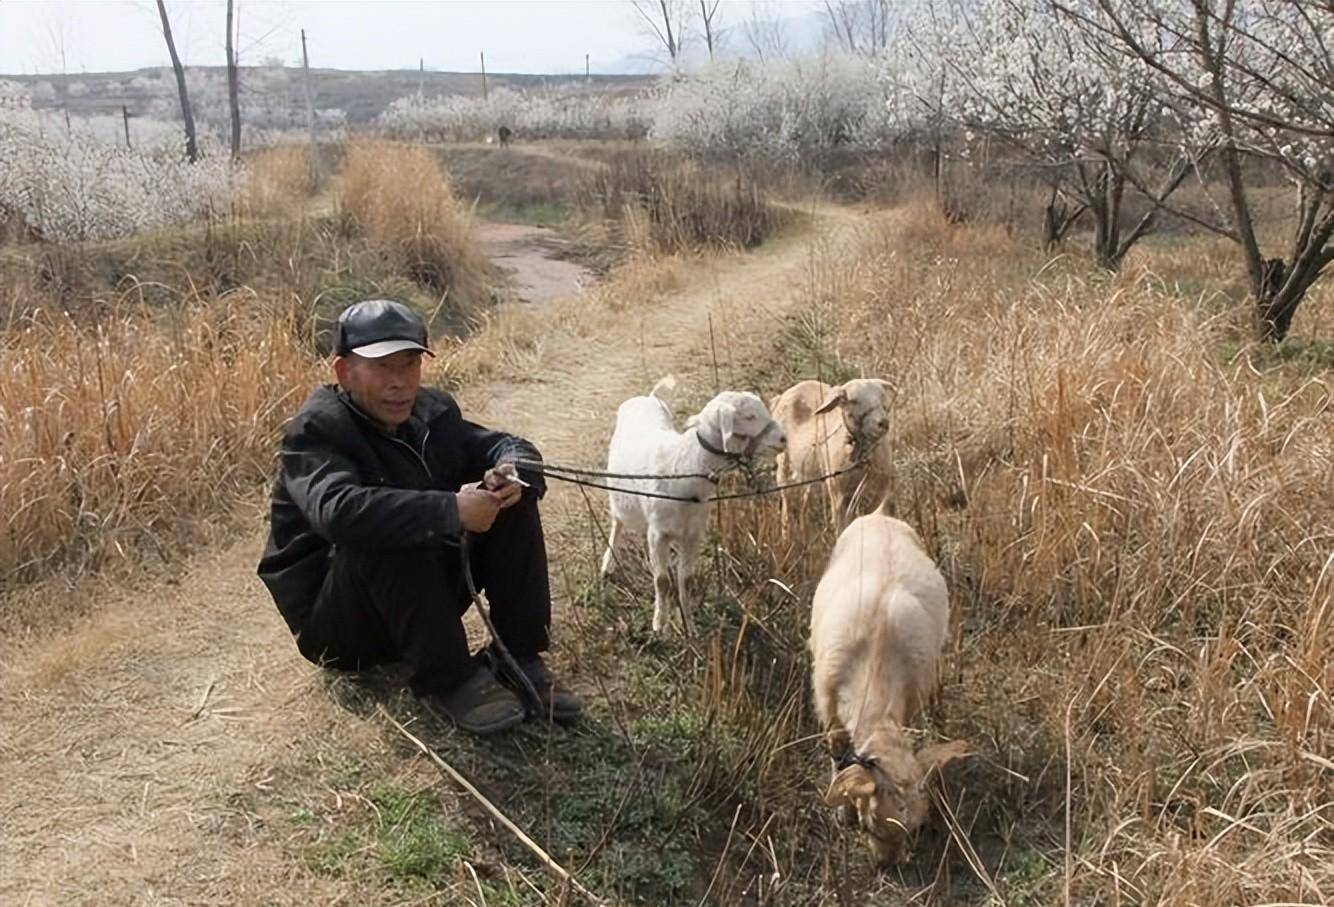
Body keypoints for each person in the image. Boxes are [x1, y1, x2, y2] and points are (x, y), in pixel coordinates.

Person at [257, 299, 581, 734]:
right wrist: (451, 509)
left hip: (418, 603)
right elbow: (340, 513)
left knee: (507, 499)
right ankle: (450, 679)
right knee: (387, 522)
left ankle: (516, 656)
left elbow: (504, 445)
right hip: (343, 627)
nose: (399, 383)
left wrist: (511, 476)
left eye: (409, 365)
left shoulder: (431, 412)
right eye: (383, 368)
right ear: (344, 373)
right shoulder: (315, 432)